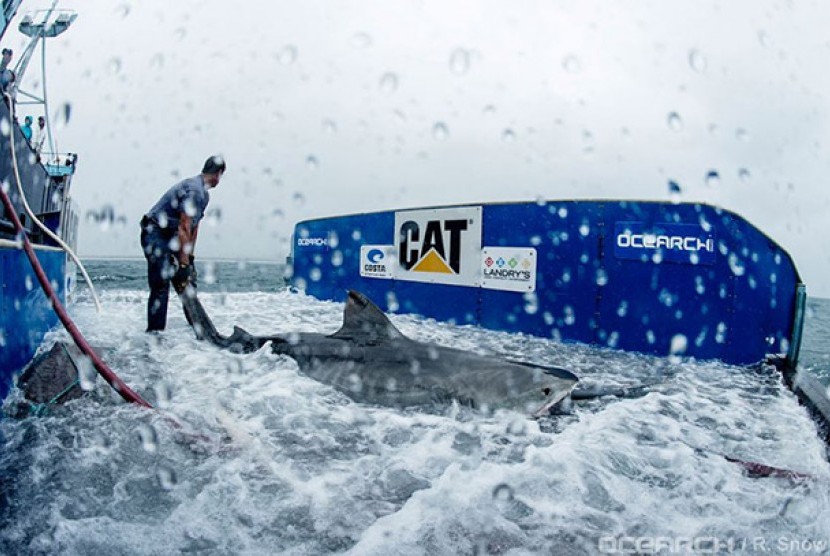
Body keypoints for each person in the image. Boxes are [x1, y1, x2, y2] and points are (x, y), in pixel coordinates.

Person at [140, 155, 226, 332]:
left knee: (187, 283)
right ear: (218, 174)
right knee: (161, 283)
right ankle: (155, 335)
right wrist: (183, 263)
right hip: (155, 232)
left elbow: (194, 227)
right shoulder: (194, 190)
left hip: (173, 235)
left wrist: (189, 258)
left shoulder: (204, 195)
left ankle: (201, 333)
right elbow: (184, 226)